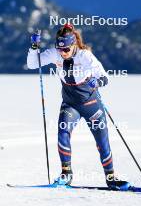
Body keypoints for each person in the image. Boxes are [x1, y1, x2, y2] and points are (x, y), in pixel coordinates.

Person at [27, 23, 130, 190]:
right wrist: (33, 47)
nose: (63, 53)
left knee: (102, 142)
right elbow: (33, 64)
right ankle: (66, 174)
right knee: (62, 133)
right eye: (60, 49)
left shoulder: (85, 56)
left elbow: (104, 77)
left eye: (66, 49)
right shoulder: (55, 54)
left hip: (91, 105)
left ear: (73, 44)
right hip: (70, 104)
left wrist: (97, 81)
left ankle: (111, 178)